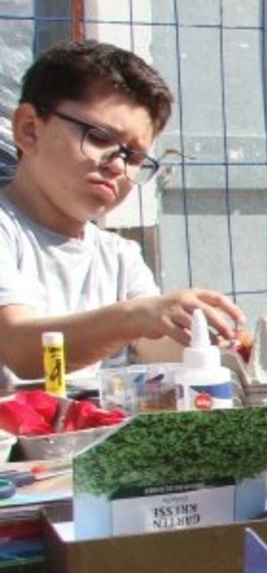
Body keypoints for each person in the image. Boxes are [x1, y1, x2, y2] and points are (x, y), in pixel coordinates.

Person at [0, 40, 245, 382]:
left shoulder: (117, 256)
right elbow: (22, 350)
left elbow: (153, 343)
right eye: (99, 137)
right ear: (29, 129)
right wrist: (135, 317)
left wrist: (215, 340)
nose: (117, 165)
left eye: (134, 157)